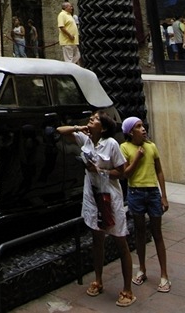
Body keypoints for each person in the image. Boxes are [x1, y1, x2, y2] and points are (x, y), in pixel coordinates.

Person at [57, 112, 136, 307]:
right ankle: (98, 279)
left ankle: (127, 289)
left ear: (104, 127)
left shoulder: (111, 144)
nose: (90, 120)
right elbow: (60, 131)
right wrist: (78, 128)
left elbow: (122, 172)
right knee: (96, 238)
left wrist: (100, 170)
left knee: (120, 240)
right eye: (90, 118)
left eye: (95, 119)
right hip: (92, 195)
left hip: (110, 196)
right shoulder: (85, 139)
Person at [120, 117, 171, 294]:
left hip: (152, 193)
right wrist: (137, 158)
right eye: (138, 127)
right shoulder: (124, 148)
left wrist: (164, 196)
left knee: (157, 233)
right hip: (135, 193)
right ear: (130, 132)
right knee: (140, 232)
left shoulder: (152, 146)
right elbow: (125, 174)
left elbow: (159, 170)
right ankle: (141, 269)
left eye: (142, 126)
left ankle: (164, 275)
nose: (143, 129)